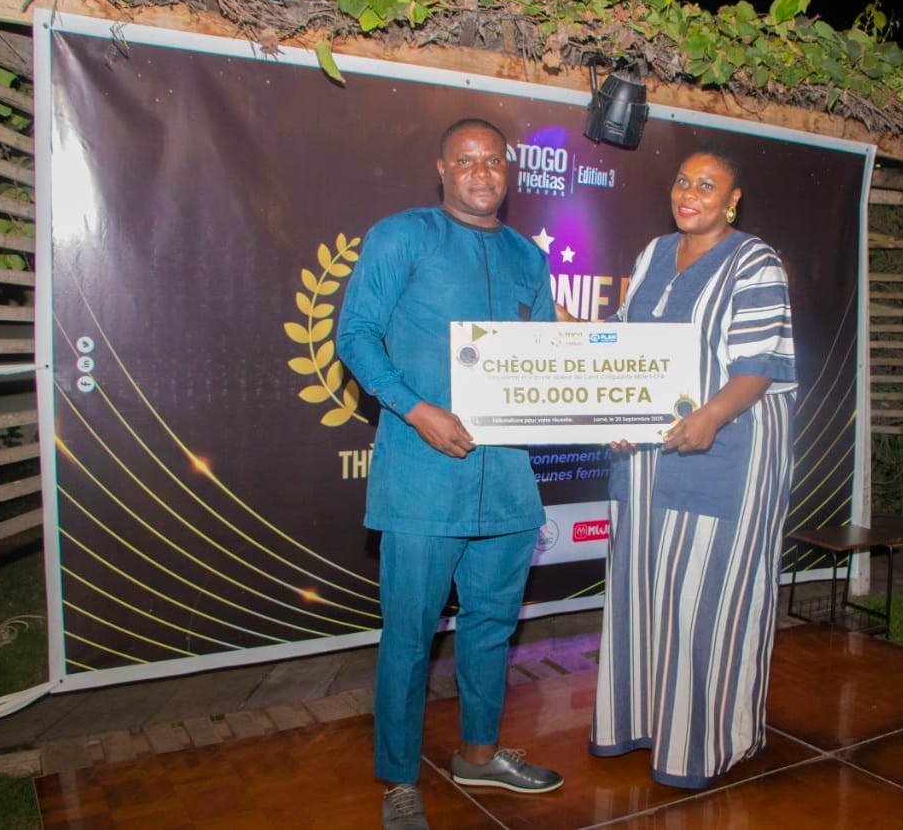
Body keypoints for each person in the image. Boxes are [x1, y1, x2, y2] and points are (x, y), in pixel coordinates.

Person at [336, 117, 563, 830]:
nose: (480, 172)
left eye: (492, 160)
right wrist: (414, 409)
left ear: (508, 170)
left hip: (509, 486)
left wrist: (609, 399)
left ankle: (480, 754)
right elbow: (355, 335)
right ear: (442, 169)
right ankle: (399, 780)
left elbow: (550, 357)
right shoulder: (401, 236)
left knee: (491, 630)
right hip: (422, 480)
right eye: (465, 160)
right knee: (409, 638)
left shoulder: (528, 258)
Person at [589, 143, 798, 787]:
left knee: (707, 597)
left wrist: (710, 416)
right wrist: (611, 405)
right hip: (650, 460)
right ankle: (643, 722)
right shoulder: (653, 253)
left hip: (728, 447)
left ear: (733, 201)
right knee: (643, 591)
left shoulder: (755, 261)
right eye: (684, 182)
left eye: (708, 186)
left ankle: (708, 741)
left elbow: (759, 367)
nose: (690, 194)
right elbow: (624, 341)